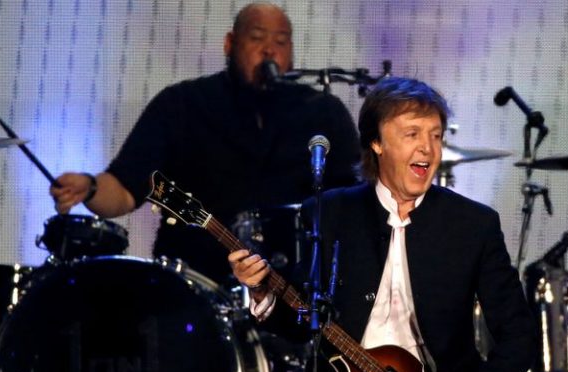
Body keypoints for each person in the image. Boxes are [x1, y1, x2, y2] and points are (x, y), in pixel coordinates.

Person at [229, 77, 537, 372]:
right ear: (376, 143)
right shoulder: (329, 212)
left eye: (434, 135)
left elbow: (519, 335)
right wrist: (261, 290)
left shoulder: (473, 225)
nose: (427, 149)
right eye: (412, 134)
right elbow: (304, 320)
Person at [50, 2, 360, 282]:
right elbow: (124, 187)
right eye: (257, 38)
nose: (269, 50)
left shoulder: (323, 111)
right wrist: (89, 187)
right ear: (229, 43)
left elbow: (355, 197)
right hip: (197, 286)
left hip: (296, 289)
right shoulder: (183, 103)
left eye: (280, 42)